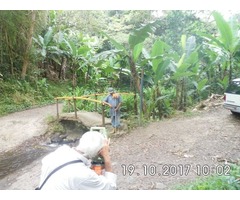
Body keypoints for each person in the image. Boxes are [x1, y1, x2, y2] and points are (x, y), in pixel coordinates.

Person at [37, 131, 117, 190]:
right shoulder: (84, 175)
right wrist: (106, 157)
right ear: (99, 152)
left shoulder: (59, 152)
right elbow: (110, 188)